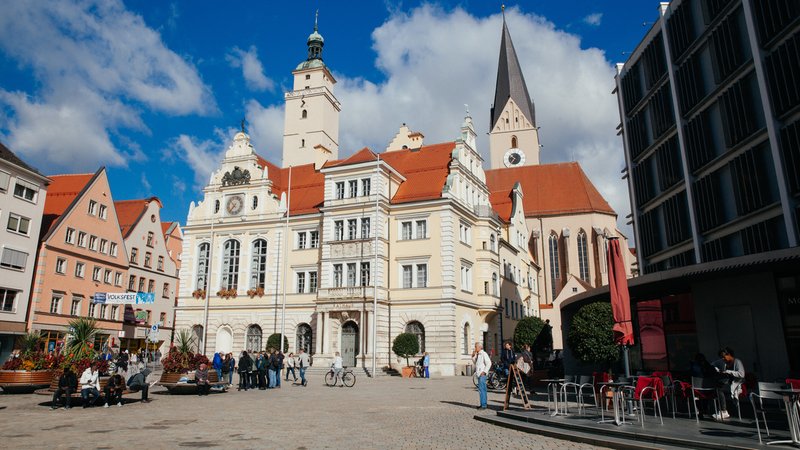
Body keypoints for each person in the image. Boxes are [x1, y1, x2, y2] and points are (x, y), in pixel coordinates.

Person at [711, 347, 745, 421]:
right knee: (717, 386)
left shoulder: (737, 362)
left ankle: (723, 411)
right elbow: (713, 364)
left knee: (719, 389)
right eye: (722, 357)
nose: (723, 359)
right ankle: (722, 410)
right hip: (728, 382)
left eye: (724, 357)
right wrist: (716, 369)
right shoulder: (723, 361)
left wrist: (728, 371)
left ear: (729, 354)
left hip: (736, 383)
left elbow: (742, 374)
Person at [472, 342, 491, 410]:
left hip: (482, 374)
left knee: (482, 389)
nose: (475, 348)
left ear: (480, 347)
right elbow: (475, 363)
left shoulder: (483, 354)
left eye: (476, 347)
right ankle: (483, 404)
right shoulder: (478, 354)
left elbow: (489, 363)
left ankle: (483, 405)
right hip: (479, 374)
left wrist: (484, 372)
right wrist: (473, 356)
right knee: (481, 390)